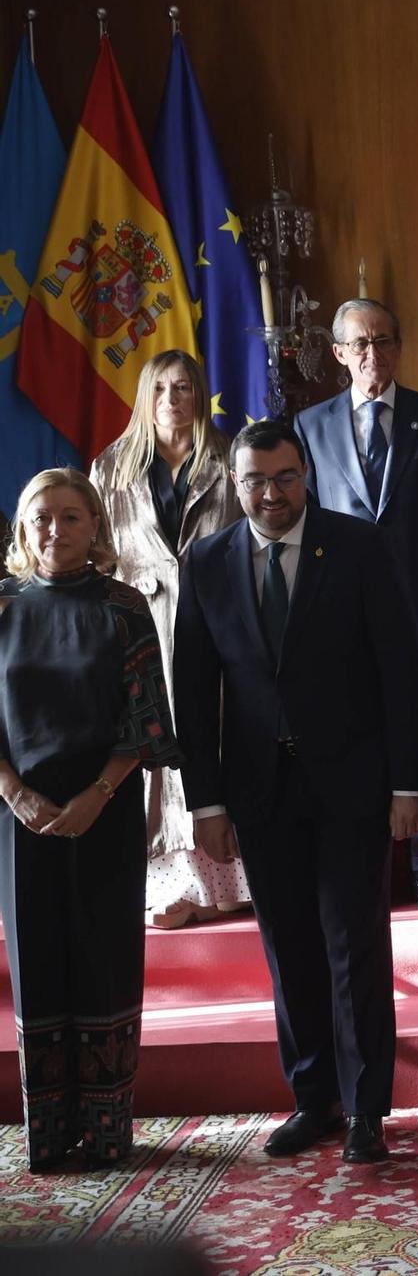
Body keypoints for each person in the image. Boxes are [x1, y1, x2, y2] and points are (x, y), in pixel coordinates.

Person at [174, 419, 418, 1164]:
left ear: (306, 472)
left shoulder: (357, 546)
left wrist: (409, 782)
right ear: (235, 482)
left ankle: (367, 1112)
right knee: (288, 948)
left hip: (352, 786)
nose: (270, 493)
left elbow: (401, 670)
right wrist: (208, 802)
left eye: (284, 477)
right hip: (259, 792)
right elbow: (195, 691)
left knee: (355, 947)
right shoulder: (210, 560)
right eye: (254, 480)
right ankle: (312, 1098)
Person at [0, 470, 180, 1171]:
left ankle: (107, 1132)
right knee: (39, 964)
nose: (55, 530)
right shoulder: (4, 608)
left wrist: (98, 793)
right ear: (22, 528)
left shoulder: (124, 606)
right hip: (21, 818)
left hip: (103, 810)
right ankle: (49, 1134)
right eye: (41, 518)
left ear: (96, 526)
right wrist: (15, 794)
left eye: (71, 517)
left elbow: (147, 720)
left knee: (104, 964)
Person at [297, 298, 418, 911]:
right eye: (361, 343)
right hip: (341, 609)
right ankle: (370, 863)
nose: (374, 353)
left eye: (384, 341)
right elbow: (309, 515)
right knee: (354, 726)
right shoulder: (310, 426)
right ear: (340, 353)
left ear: (399, 348)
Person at [87, 350, 251, 928]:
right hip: (142, 627)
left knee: (221, 731)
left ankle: (230, 874)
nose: (171, 400)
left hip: (220, 621)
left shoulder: (231, 458)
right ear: (144, 397)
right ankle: (173, 885)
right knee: (155, 746)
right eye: (159, 389)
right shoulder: (112, 468)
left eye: (182, 388)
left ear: (198, 393)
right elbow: (99, 557)